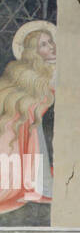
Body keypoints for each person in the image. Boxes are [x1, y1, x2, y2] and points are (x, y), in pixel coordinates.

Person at [0, 22, 56, 215]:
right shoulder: (19, 70)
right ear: (33, 51)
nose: (51, 47)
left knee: (28, 118)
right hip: (20, 119)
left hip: (37, 119)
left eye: (51, 42)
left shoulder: (56, 71)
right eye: (44, 44)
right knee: (15, 121)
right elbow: (13, 94)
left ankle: (31, 179)